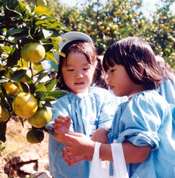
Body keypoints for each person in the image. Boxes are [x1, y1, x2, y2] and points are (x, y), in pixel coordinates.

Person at [62, 37, 175, 178]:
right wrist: (91, 149)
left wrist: (94, 149)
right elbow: (122, 145)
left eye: (112, 70)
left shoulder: (143, 103)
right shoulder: (137, 103)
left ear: (138, 69)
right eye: (106, 72)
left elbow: (138, 152)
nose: (107, 78)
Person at [45, 31, 119, 178]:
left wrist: (103, 130)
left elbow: (108, 125)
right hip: (67, 172)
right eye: (71, 69)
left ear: (94, 66)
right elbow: (59, 135)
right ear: (61, 71)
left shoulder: (103, 97)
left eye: (85, 69)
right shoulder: (59, 99)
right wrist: (63, 132)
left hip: (99, 172)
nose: (78, 75)